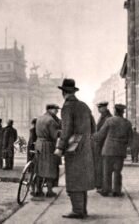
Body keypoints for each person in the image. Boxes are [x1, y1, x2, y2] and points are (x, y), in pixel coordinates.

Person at [55, 78, 96, 219]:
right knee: (82, 178)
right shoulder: (84, 106)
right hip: (86, 147)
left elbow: (66, 130)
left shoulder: (67, 107)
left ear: (63, 93)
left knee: (73, 177)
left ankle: (77, 210)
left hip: (73, 148)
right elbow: (93, 127)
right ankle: (82, 209)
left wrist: (60, 147)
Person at [93, 104, 133, 197]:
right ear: (123, 112)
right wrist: (124, 145)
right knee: (117, 171)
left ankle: (106, 190)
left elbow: (101, 134)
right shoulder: (127, 123)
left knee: (107, 171)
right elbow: (130, 138)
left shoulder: (109, 121)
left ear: (115, 111)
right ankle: (117, 191)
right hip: (120, 151)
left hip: (108, 150)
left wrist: (93, 137)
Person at [35, 104, 61, 197]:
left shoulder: (39, 118)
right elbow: (54, 135)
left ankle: (38, 190)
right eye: (56, 110)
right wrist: (61, 132)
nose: (57, 111)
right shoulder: (51, 120)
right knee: (49, 167)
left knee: (39, 168)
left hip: (39, 144)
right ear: (50, 110)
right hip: (48, 145)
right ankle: (49, 191)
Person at [94, 101, 112, 192]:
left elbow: (103, 132)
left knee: (103, 166)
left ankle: (102, 186)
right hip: (100, 144)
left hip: (104, 144)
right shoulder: (103, 117)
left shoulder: (108, 118)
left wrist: (94, 137)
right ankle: (100, 185)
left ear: (104, 108)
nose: (98, 109)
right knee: (100, 165)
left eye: (100, 107)